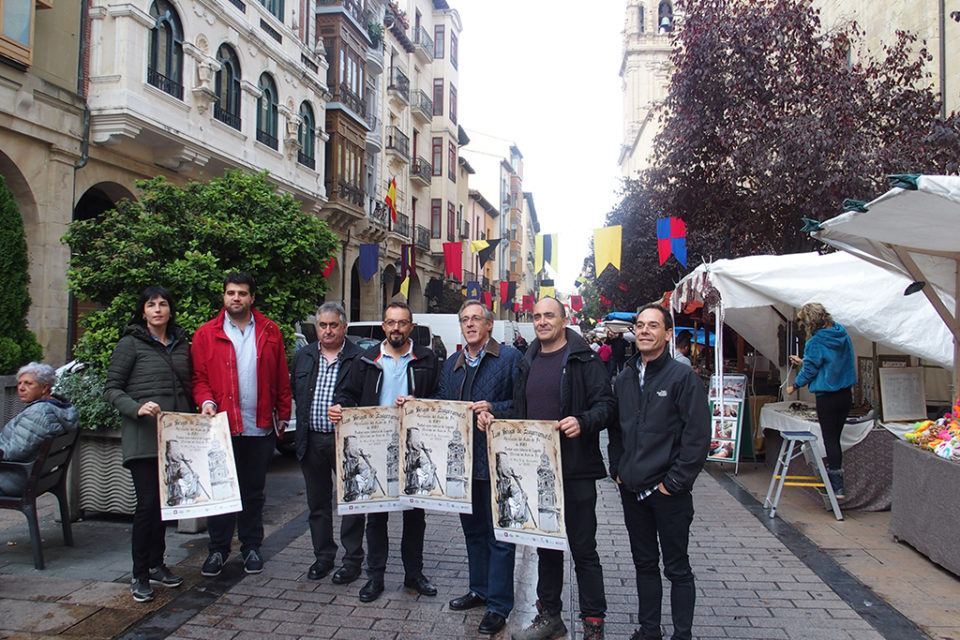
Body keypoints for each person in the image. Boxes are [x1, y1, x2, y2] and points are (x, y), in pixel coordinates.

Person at [480, 297, 615, 640]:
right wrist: (496, 417)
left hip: (576, 468)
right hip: (538, 471)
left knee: (583, 548)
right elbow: (521, 412)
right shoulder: (529, 359)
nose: (542, 322)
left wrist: (583, 422)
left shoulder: (583, 357)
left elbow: (607, 406)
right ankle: (550, 616)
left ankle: (593, 623)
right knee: (547, 547)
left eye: (548, 316)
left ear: (563, 318)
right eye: (537, 316)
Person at [609, 304, 711, 640]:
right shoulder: (624, 378)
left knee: (677, 568)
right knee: (644, 565)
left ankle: (683, 634)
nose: (644, 331)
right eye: (639, 325)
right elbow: (616, 432)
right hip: (633, 491)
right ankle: (649, 630)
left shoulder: (683, 378)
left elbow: (697, 435)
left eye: (653, 326)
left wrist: (675, 482)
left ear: (668, 334)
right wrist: (619, 471)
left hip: (669, 494)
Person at [328, 301, 439, 603]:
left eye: (402, 323)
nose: (396, 328)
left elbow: (440, 398)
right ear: (384, 326)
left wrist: (417, 404)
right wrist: (340, 407)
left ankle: (413, 574)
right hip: (374, 445)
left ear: (411, 327)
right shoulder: (366, 359)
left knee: (415, 516)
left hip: (414, 449)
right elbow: (346, 393)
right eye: (391, 323)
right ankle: (374, 576)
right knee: (376, 517)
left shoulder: (427, 359)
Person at [192, 272, 292, 577]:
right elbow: (198, 379)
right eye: (231, 293)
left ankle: (251, 548)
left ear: (251, 298)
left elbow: (280, 378)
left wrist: (284, 414)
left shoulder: (269, 331)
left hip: (259, 426)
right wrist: (206, 401)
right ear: (224, 297)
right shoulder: (205, 334)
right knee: (221, 492)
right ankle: (218, 550)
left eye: (242, 293)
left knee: (252, 492)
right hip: (222, 428)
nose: (236, 298)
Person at [103, 286, 194, 602]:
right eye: (151, 304)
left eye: (163, 304)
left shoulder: (182, 345)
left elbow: (191, 385)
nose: (157, 309)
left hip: (175, 439)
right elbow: (112, 388)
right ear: (143, 312)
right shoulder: (130, 344)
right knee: (147, 505)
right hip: (143, 438)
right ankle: (139, 573)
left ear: (170, 310)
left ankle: (157, 563)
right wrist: (136, 407)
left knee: (165, 506)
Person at [437, 300, 522, 636]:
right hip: (463, 465)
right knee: (473, 532)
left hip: (497, 461)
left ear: (490, 325)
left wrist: (495, 409)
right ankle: (480, 589)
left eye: (476, 319)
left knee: (500, 535)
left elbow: (522, 405)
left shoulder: (510, 359)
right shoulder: (451, 365)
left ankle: (499, 605)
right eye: (464, 320)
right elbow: (442, 406)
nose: (470, 324)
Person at [290, 302, 365, 584]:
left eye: (334, 325)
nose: (328, 330)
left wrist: (347, 408)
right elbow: (296, 393)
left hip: (345, 442)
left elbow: (367, 397)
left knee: (352, 503)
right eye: (323, 325)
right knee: (318, 503)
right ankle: (323, 557)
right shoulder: (306, 356)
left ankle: (352, 560)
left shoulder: (359, 358)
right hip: (312, 440)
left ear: (344, 326)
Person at [786, 302, 857, 499]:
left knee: (830, 440)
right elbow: (830, 364)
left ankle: (836, 486)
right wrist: (804, 361)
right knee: (836, 438)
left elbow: (810, 370)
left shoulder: (815, 342)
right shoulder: (841, 333)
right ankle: (833, 482)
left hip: (828, 397)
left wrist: (795, 385)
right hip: (845, 394)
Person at [0, 363, 78, 495]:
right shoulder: (59, 408)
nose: (21, 388)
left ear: (44, 388)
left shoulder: (38, 413)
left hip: (13, 480)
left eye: (28, 384)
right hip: (38, 478)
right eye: (19, 383)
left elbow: (15, 451)